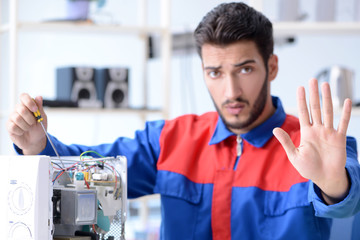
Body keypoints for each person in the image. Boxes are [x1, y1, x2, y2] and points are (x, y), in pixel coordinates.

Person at [6, 2, 360, 240]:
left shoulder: (317, 147)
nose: (231, 90)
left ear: (272, 67)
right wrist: (37, 145)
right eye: (215, 72)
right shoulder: (170, 139)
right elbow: (86, 169)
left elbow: (349, 203)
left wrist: (335, 188)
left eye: (245, 69)